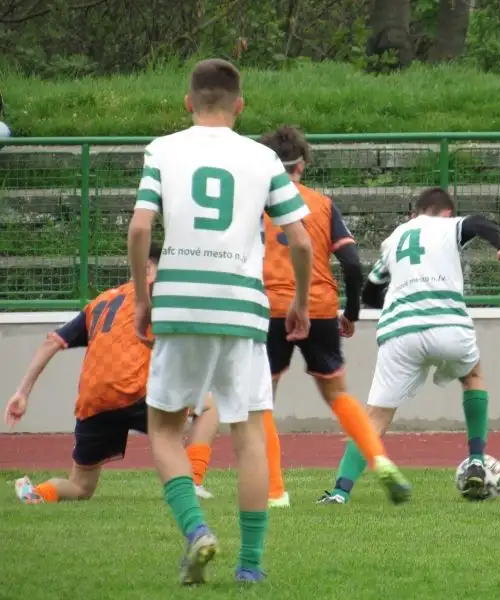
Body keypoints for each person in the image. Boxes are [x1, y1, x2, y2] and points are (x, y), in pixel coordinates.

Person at [127, 58, 313, 586]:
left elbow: (141, 229)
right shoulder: (262, 157)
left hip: (181, 303)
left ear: (189, 102)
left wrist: (144, 298)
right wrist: (298, 301)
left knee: (164, 429)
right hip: (243, 306)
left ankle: (195, 531)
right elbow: (299, 239)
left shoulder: (163, 149)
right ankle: (250, 566)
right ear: (240, 106)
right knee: (249, 432)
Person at [317, 187, 500, 505]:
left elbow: (371, 292)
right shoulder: (448, 226)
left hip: (399, 332)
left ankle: (340, 492)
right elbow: (478, 223)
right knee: (472, 377)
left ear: (415, 214)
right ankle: (477, 460)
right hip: (448, 324)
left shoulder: (395, 237)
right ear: (446, 213)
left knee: (375, 416)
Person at [257, 125, 411, 509]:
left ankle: (276, 492)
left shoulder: (255, 206)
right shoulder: (321, 205)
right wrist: (352, 312)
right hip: (321, 307)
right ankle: (378, 459)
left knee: (261, 402)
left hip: (269, 307)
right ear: (302, 165)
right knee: (339, 395)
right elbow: (352, 263)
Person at [4, 243, 218, 504]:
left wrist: (22, 392)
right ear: (148, 268)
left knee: (81, 486)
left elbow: (52, 342)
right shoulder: (155, 292)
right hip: (136, 391)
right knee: (208, 406)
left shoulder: (98, 303)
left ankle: (36, 493)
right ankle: (193, 482)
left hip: (94, 403)